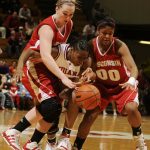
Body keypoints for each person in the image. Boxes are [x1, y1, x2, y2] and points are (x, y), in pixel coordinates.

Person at [55, 17, 147, 150]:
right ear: (98, 31)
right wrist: (88, 76)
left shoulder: (119, 45)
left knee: (131, 108)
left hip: (121, 86)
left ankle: (140, 141)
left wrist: (131, 80)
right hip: (101, 87)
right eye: (104, 33)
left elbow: (133, 68)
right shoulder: (91, 45)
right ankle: (76, 146)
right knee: (90, 116)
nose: (107, 36)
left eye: (110, 33)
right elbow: (89, 69)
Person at [2, 0, 78, 149]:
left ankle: (33, 143)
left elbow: (57, 52)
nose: (68, 18)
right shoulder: (47, 28)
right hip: (34, 67)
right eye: (65, 14)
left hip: (47, 67)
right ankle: (13, 132)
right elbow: (46, 55)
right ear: (56, 8)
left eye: (71, 14)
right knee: (51, 106)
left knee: (54, 107)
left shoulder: (69, 24)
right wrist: (63, 77)